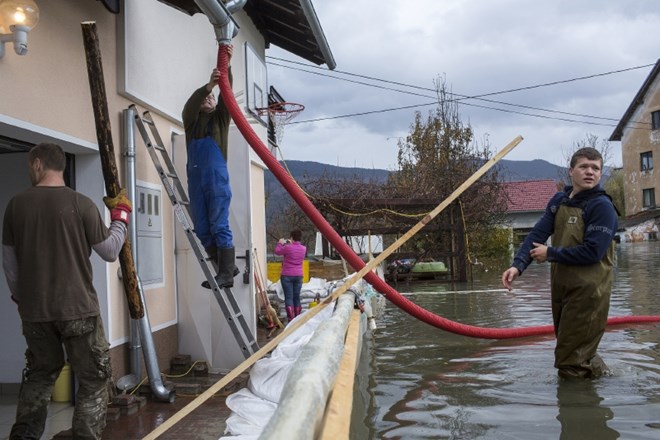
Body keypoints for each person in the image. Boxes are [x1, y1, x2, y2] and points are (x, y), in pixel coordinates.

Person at [2, 142, 131, 439]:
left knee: (39, 375)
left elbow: (10, 265)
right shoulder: (82, 204)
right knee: (93, 379)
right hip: (79, 310)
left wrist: (23, 299)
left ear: (37, 164)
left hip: (35, 313)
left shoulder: (16, 206)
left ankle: (23, 437)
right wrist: (121, 216)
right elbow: (110, 251)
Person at [501, 147, 618, 379]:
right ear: (571, 170)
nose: (590, 172)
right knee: (576, 352)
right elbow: (538, 234)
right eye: (584, 166)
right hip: (563, 288)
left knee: (569, 362)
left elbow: (593, 252)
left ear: (600, 174)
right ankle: (608, 381)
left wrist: (551, 253)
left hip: (588, 292)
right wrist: (517, 265)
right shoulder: (559, 201)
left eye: (595, 168)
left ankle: (579, 410)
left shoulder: (602, 207)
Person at [182, 45, 240, 289]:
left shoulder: (221, 120)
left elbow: (227, 94)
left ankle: (225, 273)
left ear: (216, 104)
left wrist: (226, 66)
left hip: (216, 179)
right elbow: (189, 106)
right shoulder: (191, 123)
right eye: (206, 97)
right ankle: (228, 268)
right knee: (202, 229)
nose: (208, 98)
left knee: (219, 224)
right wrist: (207, 86)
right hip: (195, 180)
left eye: (211, 97)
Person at [274, 229, 307, 321]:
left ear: (291, 237)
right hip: (299, 275)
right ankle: (297, 318)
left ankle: (290, 318)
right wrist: (289, 243)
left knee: (289, 297)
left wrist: (280, 243)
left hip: (287, 275)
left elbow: (277, 251)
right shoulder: (304, 249)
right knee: (296, 297)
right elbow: (294, 250)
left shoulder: (288, 247)